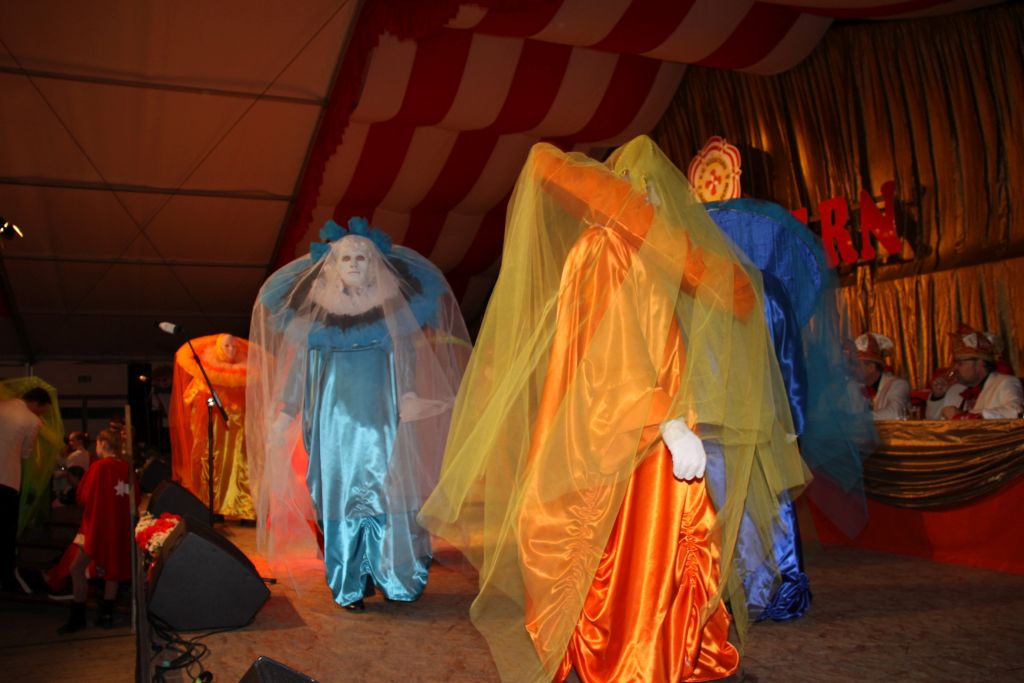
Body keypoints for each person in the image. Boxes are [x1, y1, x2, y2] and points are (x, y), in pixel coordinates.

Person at [420, 138, 808, 682]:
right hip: (631, 435)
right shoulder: (609, 249)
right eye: (646, 187)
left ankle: (656, 653)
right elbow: (611, 357)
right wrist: (667, 421)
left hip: (645, 431)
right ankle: (631, 659)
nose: (659, 199)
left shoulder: (637, 249)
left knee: (655, 551)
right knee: (630, 551)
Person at [247, 216, 470, 611]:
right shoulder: (315, 323)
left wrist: (410, 398)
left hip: (382, 422)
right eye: (346, 258)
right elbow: (300, 373)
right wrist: (286, 414)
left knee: (388, 495)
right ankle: (350, 583)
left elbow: (404, 363)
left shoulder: (391, 317)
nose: (353, 264)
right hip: (332, 428)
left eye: (361, 258)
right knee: (339, 498)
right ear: (332, 265)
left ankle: (394, 578)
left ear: (374, 265)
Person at [56, 427, 135, 633]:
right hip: (118, 527)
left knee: (76, 569)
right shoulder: (126, 468)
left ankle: (78, 616)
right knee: (112, 571)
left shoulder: (99, 467)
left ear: (103, 444)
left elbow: (82, 496)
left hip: (98, 525)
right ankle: (107, 614)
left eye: (98, 444)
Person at [169, 333, 254, 521]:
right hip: (217, 434)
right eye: (227, 346)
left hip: (240, 436)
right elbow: (191, 398)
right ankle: (214, 507)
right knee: (215, 469)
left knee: (241, 468)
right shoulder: (207, 377)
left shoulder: (245, 376)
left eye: (234, 346)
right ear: (218, 349)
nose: (231, 350)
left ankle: (244, 509)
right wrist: (207, 400)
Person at [0, 387, 51, 593]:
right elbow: (25, 453)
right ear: (37, 404)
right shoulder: (32, 421)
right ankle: (6, 578)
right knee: (6, 533)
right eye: (42, 411)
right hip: (7, 480)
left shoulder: (2, 405)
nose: (40, 415)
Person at [926, 323, 1024, 420]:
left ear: (980, 363)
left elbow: (1016, 412)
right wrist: (938, 396)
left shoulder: (1005, 382)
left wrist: (965, 416)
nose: (955, 368)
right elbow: (933, 421)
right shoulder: (955, 389)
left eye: (960, 363)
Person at [852, 332, 911, 420]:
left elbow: (895, 413)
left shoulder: (898, 385)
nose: (853, 369)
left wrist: (856, 418)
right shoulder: (855, 386)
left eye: (857, 365)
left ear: (871, 368)